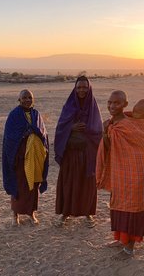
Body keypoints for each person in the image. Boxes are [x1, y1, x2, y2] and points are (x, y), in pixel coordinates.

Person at [96, 90, 144, 257]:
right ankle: (120, 239)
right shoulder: (113, 123)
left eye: (117, 103)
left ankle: (130, 246)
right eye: (110, 102)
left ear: (125, 105)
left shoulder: (131, 124)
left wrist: (106, 131)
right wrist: (104, 131)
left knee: (133, 208)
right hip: (120, 172)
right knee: (119, 205)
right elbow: (108, 147)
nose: (112, 106)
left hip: (137, 173)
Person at [54, 76, 102, 228]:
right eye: (79, 87)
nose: (82, 90)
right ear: (75, 89)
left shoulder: (93, 108)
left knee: (86, 184)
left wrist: (86, 130)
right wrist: (71, 128)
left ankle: (87, 213)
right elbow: (60, 128)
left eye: (85, 87)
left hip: (87, 154)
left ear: (89, 89)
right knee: (69, 182)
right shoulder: (68, 106)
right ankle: (65, 213)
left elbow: (98, 131)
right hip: (70, 154)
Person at [2, 89, 49, 226]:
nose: (27, 100)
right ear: (19, 99)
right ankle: (15, 215)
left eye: (30, 97)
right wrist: (23, 135)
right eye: (24, 97)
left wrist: (35, 134)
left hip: (34, 158)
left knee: (33, 186)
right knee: (19, 185)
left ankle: (31, 213)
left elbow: (43, 134)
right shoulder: (14, 115)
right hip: (19, 158)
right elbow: (9, 137)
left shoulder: (37, 114)